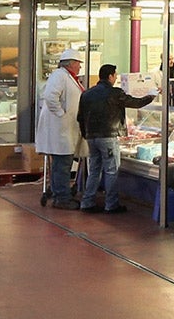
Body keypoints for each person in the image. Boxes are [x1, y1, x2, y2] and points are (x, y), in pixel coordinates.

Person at [76, 64, 158, 212]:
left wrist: (86, 134)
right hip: (108, 136)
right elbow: (136, 103)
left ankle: (87, 202)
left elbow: (80, 117)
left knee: (94, 170)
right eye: (115, 75)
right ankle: (111, 204)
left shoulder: (86, 94)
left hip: (91, 137)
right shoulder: (114, 93)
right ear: (110, 76)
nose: (116, 78)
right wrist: (151, 96)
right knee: (111, 171)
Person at [35, 49, 85, 207]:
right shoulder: (60, 76)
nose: (79, 67)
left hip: (64, 128)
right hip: (60, 128)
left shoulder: (67, 77)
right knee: (63, 163)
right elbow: (50, 96)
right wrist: (61, 114)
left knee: (61, 163)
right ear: (71, 63)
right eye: (78, 64)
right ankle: (62, 198)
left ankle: (59, 192)